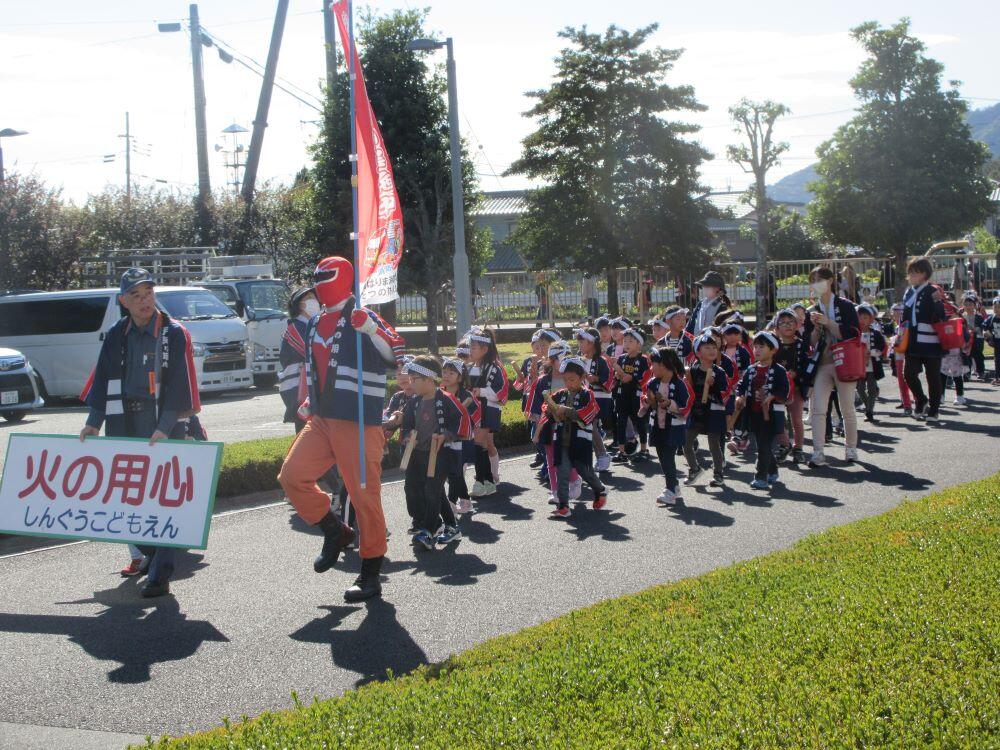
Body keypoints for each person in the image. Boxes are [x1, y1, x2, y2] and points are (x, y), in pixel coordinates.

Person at [277, 256, 405, 603]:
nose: (318, 283)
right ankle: (335, 530)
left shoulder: (362, 315)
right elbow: (316, 367)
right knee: (292, 476)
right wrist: (310, 401)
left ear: (345, 277)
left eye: (325, 276)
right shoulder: (316, 320)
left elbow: (396, 353)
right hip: (322, 419)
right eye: (315, 277)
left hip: (358, 420)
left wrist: (371, 330)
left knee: (365, 497)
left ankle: (370, 572)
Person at [80, 268, 202, 599]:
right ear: (124, 301)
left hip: (162, 420)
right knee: (129, 497)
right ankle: (153, 553)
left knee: (163, 498)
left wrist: (166, 427)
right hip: (124, 420)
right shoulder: (117, 333)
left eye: (148, 293)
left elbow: (179, 382)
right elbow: (103, 379)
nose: (144, 300)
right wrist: (94, 421)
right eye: (136, 295)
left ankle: (160, 573)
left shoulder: (172, 333)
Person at [398, 356, 472, 550]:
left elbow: (462, 419)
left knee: (432, 491)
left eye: (415, 379)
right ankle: (449, 525)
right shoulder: (413, 402)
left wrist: (446, 435)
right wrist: (406, 437)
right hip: (417, 454)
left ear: (429, 380)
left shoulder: (446, 399)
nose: (411, 383)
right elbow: (406, 425)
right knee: (413, 488)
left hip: (440, 454)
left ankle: (429, 529)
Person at [801, 265, 861, 466]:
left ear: (830, 280)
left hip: (845, 361)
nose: (817, 284)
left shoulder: (845, 305)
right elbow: (810, 342)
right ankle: (818, 452)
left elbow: (852, 333)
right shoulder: (812, 310)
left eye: (820, 279)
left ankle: (851, 449)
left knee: (847, 408)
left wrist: (828, 322)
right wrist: (817, 328)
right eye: (813, 280)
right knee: (818, 409)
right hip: (823, 362)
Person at [535, 357, 607, 518]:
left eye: (572, 379)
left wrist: (565, 411)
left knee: (584, 470)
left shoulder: (587, 395)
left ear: (582, 378)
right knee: (562, 471)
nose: (568, 383)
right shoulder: (560, 394)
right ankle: (563, 506)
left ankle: (600, 490)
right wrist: (551, 410)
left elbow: (588, 413)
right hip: (561, 440)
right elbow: (547, 407)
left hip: (580, 440)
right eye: (566, 379)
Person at [735, 331, 790, 490]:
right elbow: (742, 386)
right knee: (762, 445)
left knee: (763, 446)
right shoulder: (751, 369)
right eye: (755, 346)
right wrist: (739, 396)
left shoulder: (778, 370)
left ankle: (761, 477)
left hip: (771, 415)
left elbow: (784, 390)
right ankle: (772, 471)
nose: (757, 350)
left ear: (773, 350)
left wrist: (772, 396)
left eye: (762, 347)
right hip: (754, 414)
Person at [643, 347, 693, 507]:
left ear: (664, 365)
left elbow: (686, 404)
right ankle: (674, 487)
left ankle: (670, 489)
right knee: (662, 457)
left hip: (673, 427)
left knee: (667, 457)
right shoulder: (653, 382)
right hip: (657, 425)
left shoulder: (679, 384)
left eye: (654, 364)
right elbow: (647, 401)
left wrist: (670, 404)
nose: (651, 368)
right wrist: (648, 401)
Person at [900, 257, 946, 423]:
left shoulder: (932, 290)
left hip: (931, 340)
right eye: (910, 272)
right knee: (909, 373)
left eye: (916, 272)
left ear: (925, 274)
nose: (911, 275)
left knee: (933, 376)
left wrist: (936, 305)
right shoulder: (909, 291)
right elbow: (905, 315)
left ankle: (934, 410)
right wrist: (900, 334)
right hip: (912, 340)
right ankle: (921, 399)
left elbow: (941, 314)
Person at [682, 333, 731, 487]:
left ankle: (718, 473)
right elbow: (688, 390)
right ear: (698, 352)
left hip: (713, 412)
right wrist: (685, 382)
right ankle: (694, 468)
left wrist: (714, 384)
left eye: (714, 347)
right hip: (697, 411)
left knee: (714, 444)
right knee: (686, 442)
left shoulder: (720, 372)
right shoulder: (693, 370)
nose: (711, 350)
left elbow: (725, 392)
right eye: (707, 347)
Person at [466, 326, 509, 496]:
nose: (470, 350)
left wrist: (480, 391)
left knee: (477, 444)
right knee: (481, 445)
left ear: (485, 349)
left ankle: (481, 481)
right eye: (470, 347)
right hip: (473, 410)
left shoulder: (494, 368)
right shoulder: (469, 368)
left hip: (487, 410)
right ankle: (487, 482)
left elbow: (501, 393)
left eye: (473, 347)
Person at [441, 357, 479, 515]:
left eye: (451, 373)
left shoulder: (465, 394)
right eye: (444, 372)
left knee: (455, 471)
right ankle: (465, 501)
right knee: (452, 473)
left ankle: (451, 503)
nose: (447, 375)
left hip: (461, 438)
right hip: (444, 437)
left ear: (460, 377)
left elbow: (475, 413)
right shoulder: (439, 392)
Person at [279, 286, 320, 430]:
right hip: (298, 388)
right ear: (299, 304)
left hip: (310, 387)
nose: (314, 301)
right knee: (304, 429)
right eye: (308, 298)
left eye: (315, 298)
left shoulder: (312, 325)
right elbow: (311, 352)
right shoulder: (295, 327)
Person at [576, 326, 614, 472]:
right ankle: (600, 457)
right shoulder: (580, 360)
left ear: (591, 343)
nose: (579, 345)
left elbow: (609, 381)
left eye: (582, 342)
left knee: (590, 425)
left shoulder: (602, 361)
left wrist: (596, 378)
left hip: (599, 398)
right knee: (589, 427)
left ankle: (602, 455)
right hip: (586, 398)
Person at [773, 309, 807, 463]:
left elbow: (807, 366)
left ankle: (798, 448)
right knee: (779, 419)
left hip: (797, 388)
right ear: (777, 327)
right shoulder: (774, 346)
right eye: (783, 323)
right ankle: (784, 445)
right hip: (778, 389)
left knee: (796, 420)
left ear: (797, 325)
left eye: (791, 322)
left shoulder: (801, 345)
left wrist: (796, 373)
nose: (787, 326)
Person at [611, 328, 650, 463]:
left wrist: (631, 378)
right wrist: (617, 375)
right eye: (625, 340)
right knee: (621, 422)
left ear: (639, 344)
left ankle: (644, 449)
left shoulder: (644, 360)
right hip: (622, 394)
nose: (626, 343)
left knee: (639, 422)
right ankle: (621, 451)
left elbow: (645, 378)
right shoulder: (621, 359)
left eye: (630, 341)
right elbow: (618, 377)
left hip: (637, 395)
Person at [855, 304, 886, 423]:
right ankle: (868, 406)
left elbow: (881, 347)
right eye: (859, 317)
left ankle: (869, 411)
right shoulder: (854, 334)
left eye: (865, 317)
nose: (862, 320)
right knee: (860, 389)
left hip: (872, 365)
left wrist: (871, 352)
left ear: (871, 319)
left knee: (872, 389)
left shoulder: (876, 334)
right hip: (859, 366)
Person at [686, 271, 732, 336]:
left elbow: (721, 327)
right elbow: (691, 323)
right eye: (703, 286)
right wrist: (687, 336)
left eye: (707, 286)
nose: (704, 288)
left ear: (717, 288)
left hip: (712, 343)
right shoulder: (701, 303)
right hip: (696, 341)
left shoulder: (722, 306)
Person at [961, 292, 987, 381]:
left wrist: (970, 327)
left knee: (978, 356)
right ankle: (966, 373)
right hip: (966, 340)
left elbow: (979, 329)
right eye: (966, 304)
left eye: (970, 304)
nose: (968, 306)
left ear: (974, 305)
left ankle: (981, 371)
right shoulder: (961, 317)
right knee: (966, 356)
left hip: (977, 340)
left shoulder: (978, 317)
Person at [985, 297, 1000, 384]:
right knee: (997, 360)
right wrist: (987, 334)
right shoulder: (992, 318)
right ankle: (997, 377)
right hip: (997, 342)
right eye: (995, 307)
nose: (997, 309)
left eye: (999, 307)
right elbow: (985, 327)